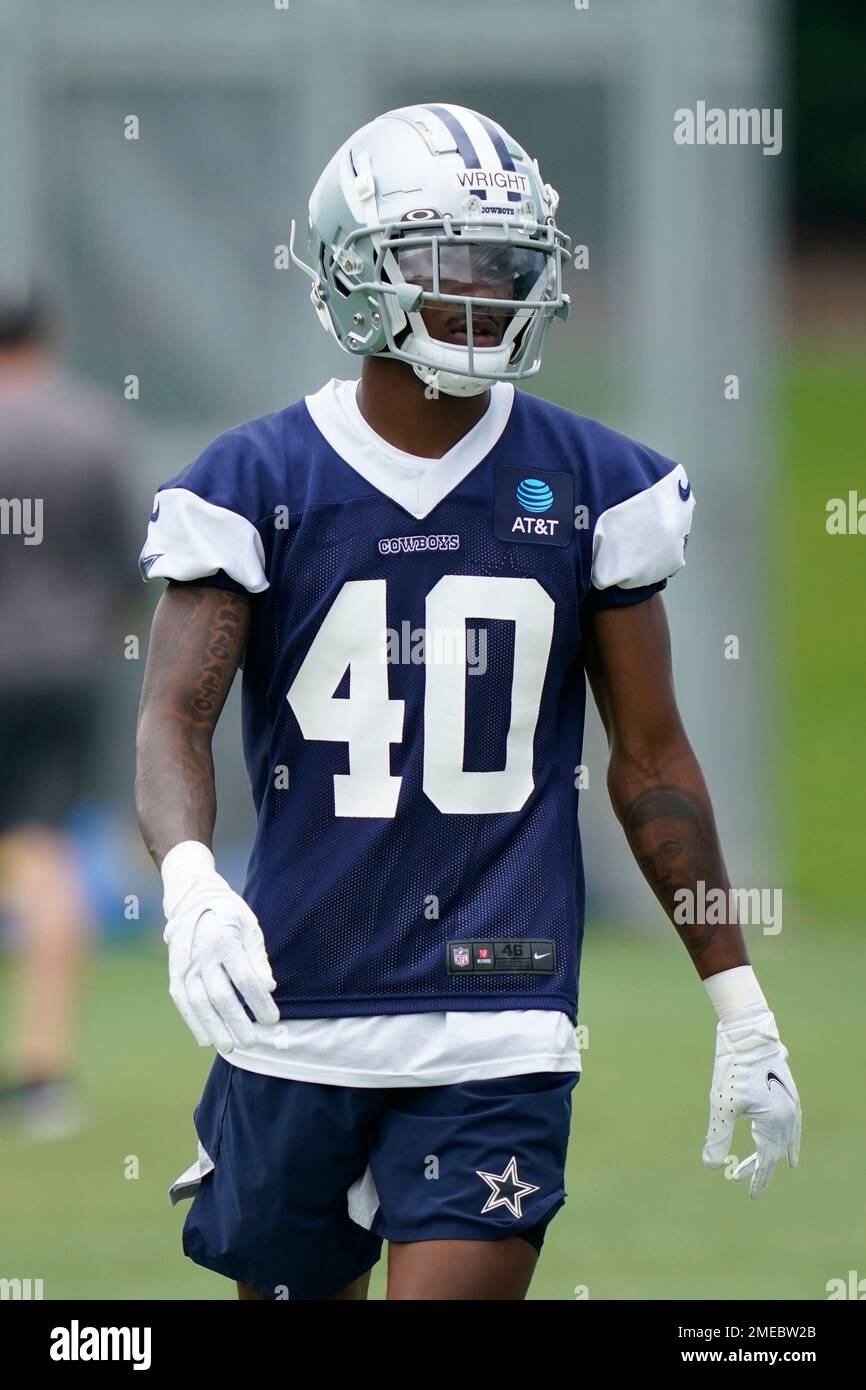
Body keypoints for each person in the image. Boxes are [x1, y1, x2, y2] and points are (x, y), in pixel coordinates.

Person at [135, 104, 801, 1301]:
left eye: (506, 261)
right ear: (353, 270)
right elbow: (174, 717)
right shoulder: (254, 483)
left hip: (499, 1010)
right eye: (448, 257)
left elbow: (648, 756)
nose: (487, 289)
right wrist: (190, 884)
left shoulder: (597, 483)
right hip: (293, 1010)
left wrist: (737, 998)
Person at [0, 288, 137, 1137]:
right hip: (64, 669)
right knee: (45, 853)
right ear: (46, 338)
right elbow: (131, 561)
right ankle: (44, 1074)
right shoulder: (92, 425)